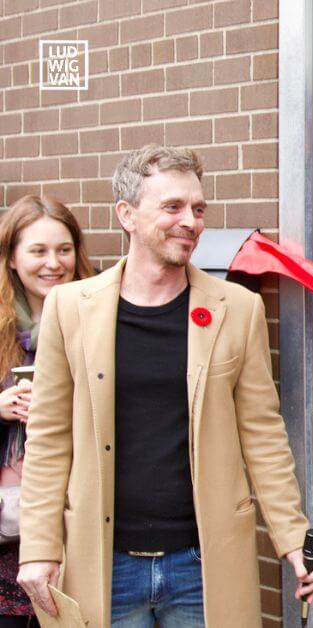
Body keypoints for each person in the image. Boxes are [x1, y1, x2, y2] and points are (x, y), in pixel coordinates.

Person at [17, 145, 313, 628]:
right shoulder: (70, 307)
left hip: (201, 564)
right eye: (173, 207)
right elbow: (49, 437)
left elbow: (263, 434)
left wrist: (291, 536)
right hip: (104, 563)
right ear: (127, 215)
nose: (191, 221)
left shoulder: (236, 309)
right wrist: (37, 546)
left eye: (198, 209)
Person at [0, 196, 94, 628]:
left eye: (64, 250)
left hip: (76, 523)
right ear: (13, 258)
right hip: (6, 534)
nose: (53, 263)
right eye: (38, 251)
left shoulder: (98, 319)